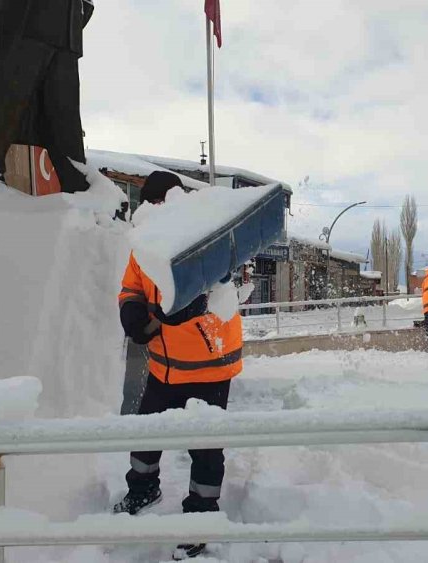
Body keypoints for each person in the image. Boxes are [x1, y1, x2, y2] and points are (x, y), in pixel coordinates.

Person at [114, 171, 243, 560]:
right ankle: (143, 489)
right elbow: (131, 286)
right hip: (164, 366)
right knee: (146, 433)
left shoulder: (202, 236)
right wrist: (132, 311)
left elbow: (222, 284)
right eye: (148, 204)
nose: (152, 210)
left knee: (204, 447)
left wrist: (192, 303)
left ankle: (200, 517)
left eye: (158, 202)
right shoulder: (144, 244)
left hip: (209, 365)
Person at [0, 0, 94, 194]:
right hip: (23, 20)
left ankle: (80, 186)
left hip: (67, 28)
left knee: (65, 119)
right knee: (5, 99)